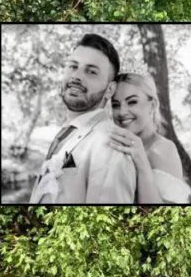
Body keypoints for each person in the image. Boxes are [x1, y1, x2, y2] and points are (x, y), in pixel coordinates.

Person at [30, 33, 136, 204]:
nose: (76, 76)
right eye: (73, 66)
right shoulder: (67, 133)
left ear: (110, 89)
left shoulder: (111, 145)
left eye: (91, 72)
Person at [106, 73, 191, 204]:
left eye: (132, 102)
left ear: (152, 106)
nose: (122, 112)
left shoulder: (162, 149)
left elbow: (159, 217)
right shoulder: (112, 145)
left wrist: (141, 161)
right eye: (116, 105)